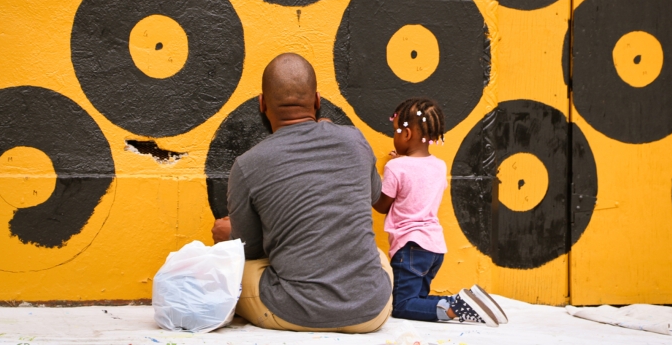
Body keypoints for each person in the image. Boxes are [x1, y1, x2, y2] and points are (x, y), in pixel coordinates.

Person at [211, 53, 392, 332]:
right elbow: (370, 195)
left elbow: (252, 250)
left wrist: (230, 236)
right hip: (372, 312)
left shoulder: (246, 165)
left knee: (230, 273)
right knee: (379, 258)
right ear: (317, 102)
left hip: (293, 311)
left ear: (262, 104)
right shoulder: (355, 139)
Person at [372, 97, 508, 326]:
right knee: (418, 300)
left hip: (410, 247)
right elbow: (418, 182)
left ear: (406, 135)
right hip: (434, 249)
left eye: (396, 131)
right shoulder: (439, 166)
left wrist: (372, 179)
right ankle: (470, 302)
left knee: (402, 305)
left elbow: (381, 205)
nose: (394, 136)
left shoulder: (396, 167)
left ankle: (457, 305)